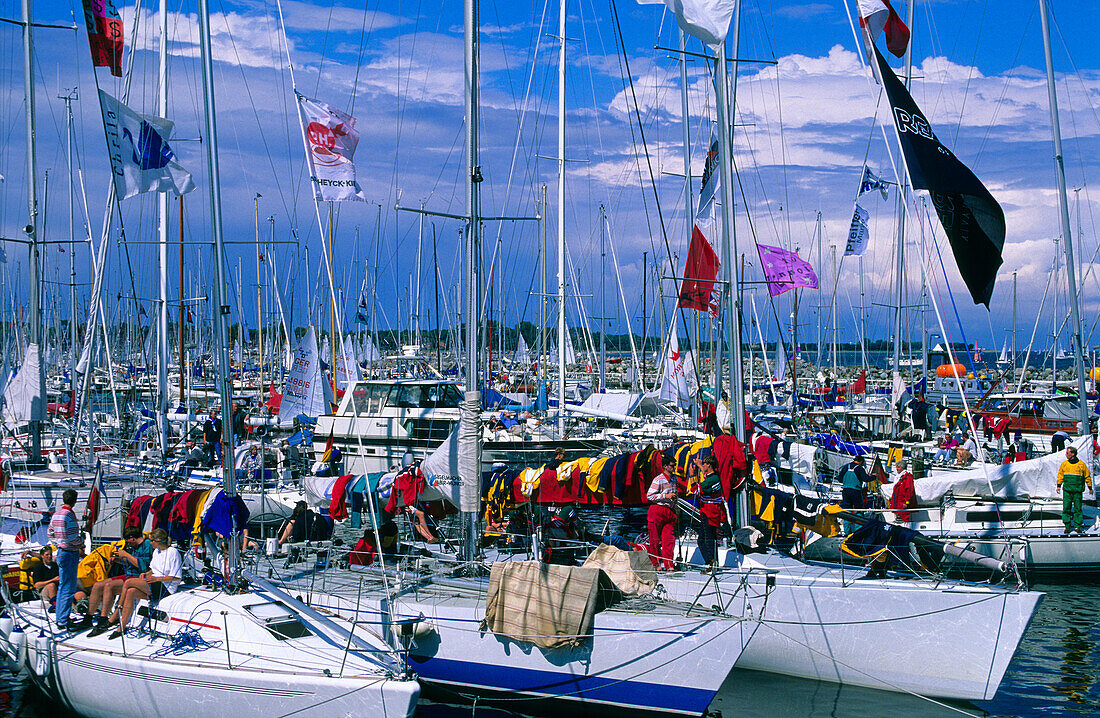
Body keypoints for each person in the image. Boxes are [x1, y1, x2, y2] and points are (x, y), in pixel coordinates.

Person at [107, 528, 183, 639]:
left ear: (158, 541)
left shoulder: (173, 552)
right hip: (154, 582)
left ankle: (117, 611)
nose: (150, 542)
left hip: (166, 587)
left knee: (128, 582)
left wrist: (157, 579)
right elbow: (153, 569)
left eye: (152, 540)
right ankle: (122, 627)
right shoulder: (157, 552)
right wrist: (146, 573)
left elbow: (177, 578)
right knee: (130, 592)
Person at [82, 527, 154, 635]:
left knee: (109, 586)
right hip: (128, 574)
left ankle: (103, 619)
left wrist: (126, 555)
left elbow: (143, 567)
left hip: (137, 577)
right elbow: (130, 562)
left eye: (128, 540)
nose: (127, 543)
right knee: (98, 585)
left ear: (132, 538)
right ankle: (88, 618)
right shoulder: (133, 547)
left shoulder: (147, 545)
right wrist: (117, 560)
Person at [47, 488, 82, 630]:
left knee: (62, 586)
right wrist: (81, 542)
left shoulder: (56, 514)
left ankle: (61, 616)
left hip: (61, 552)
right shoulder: (69, 515)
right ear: (74, 501)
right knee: (68, 587)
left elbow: (50, 533)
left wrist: (57, 542)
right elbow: (73, 537)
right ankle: (62, 620)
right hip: (69, 553)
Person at [694, 455, 725, 567]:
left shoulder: (711, 480)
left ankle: (711, 562)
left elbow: (696, 490)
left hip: (708, 513)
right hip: (713, 513)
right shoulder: (716, 477)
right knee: (708, 538)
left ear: (709, 465)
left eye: (705, 464)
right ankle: (712, 562)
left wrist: (692, 475)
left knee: (705, 540)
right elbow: (706, 475)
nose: (703, 466)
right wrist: (699, 466)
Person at [1056, 445, 1093, 535]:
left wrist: (1090, 487)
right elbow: (1060, 475)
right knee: (1066, 508)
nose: (1066, 454)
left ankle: (1077, 526)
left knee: (1078, 509)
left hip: (1077, 491)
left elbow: (1087, 476)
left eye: (1067, 453)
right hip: (1067, 491)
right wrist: (1058, 486)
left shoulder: (1081, 465)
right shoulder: (1064, 464)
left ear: (1072, 454)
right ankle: (1067, 526)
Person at [646, 467, 678, 571]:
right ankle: (656, 564)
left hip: (670, 510)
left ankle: (669, 565)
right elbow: (649, 496)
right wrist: (666, 495)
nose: (674, 467)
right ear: (666, 467)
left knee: (669, 539)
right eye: (672, 465)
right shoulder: (658, 479)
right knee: (654, 539)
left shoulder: (674, 479)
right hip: (657, 509)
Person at [839, 455, 871, 534]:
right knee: (858, 510)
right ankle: (859, 531)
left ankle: (847, 531)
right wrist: (873, 477)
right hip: (855, 491)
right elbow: (865, 479)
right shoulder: (859, 468)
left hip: (845, 491)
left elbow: (839, 479)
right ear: (861, 461)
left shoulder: (846, 467)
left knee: (847, 510)